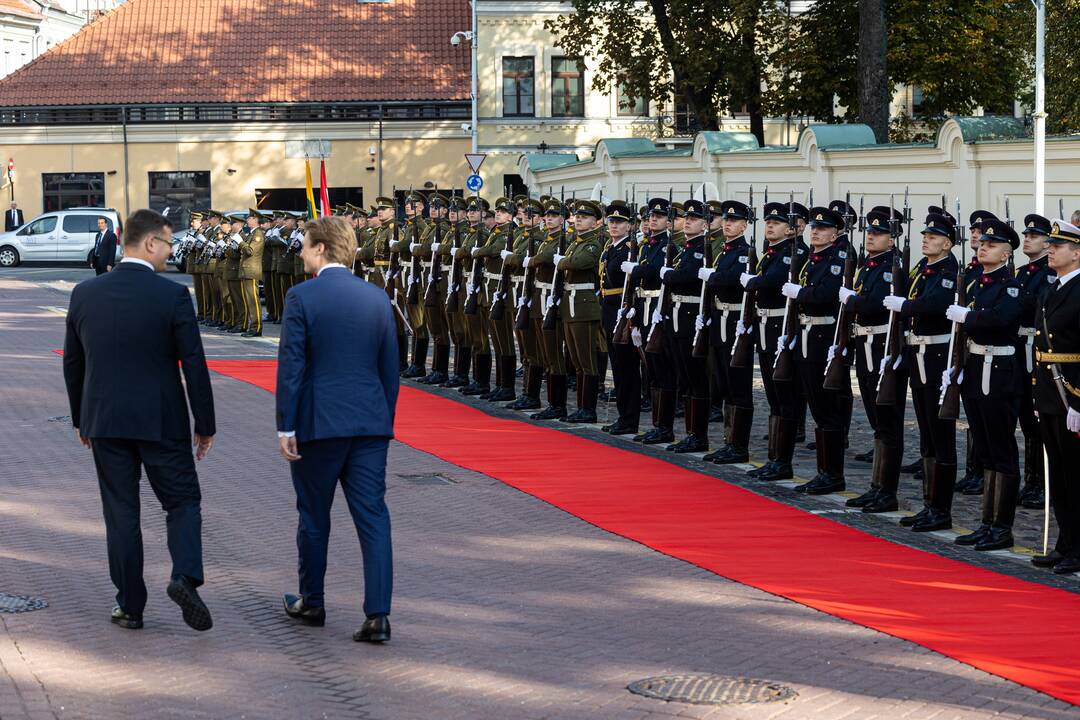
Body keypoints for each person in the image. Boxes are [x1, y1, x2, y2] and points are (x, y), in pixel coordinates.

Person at [62, 208, 215, 632]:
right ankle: (184, 575)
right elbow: (195, 364)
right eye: (168, 244)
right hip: (161, 420)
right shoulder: (171, 296)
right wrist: (205, 423)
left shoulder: (84, 294)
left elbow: (73, 364)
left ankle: (130, 605)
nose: (170, 252)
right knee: (182, 501)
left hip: (105, 420)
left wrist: (81, 418)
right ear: (150, 243)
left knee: (121, 511)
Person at [277, 215, 399, 643]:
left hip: (319, 423)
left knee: (314, 516)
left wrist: (285, 425)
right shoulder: (376, 297)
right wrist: (383, 419)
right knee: (373, 518)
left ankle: (313, 601)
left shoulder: (301, 296)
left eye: (306, 245)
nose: (301, 251)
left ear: (322, 249)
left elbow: (292, 366)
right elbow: (389, 368)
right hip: (369, 422)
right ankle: (378, 614)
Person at [946, 218, 1022, 551]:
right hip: (976, 365)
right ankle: (986, 522)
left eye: (990, 245)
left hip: (999, 367)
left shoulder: (1010, 285)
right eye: (982, 244)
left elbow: (1001, 318)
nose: (982, 247)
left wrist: (968, 317)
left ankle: (1002, 527)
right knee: (985, 449)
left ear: (1006, 253)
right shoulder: (978, 282)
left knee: (1001, 449)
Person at [890, 211, 958, 531]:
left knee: (940, 433)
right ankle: (930, 503)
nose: (925, 240)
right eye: (924, 236)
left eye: (932, 237)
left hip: (936, 354)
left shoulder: (947, 270)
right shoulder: (924, 268)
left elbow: (933, 304)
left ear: (947, 244)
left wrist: (903, 305)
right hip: (917, 351)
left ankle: (941, 508)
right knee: (927, 434)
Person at [1032, 218, 1080, 574]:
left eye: (1058, 246)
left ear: (1076, 253)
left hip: (1072, 394)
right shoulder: (1053, 288)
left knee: (1075, 475)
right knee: (1060, 474)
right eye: (1050, 244)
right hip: (1050, 391)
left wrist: (1079, 401)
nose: (1050, 249)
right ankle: (1066, 544)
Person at [1016, 214, 1053, 508]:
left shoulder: (1048, 274)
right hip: (1019, 347)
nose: (1027, 239)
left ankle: (1042, 482)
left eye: (1033, 236)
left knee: (1037, 419)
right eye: (1026, 235)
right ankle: (1031, 479)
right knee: (1026, 419)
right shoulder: (1021, 272)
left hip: (1035, 346)